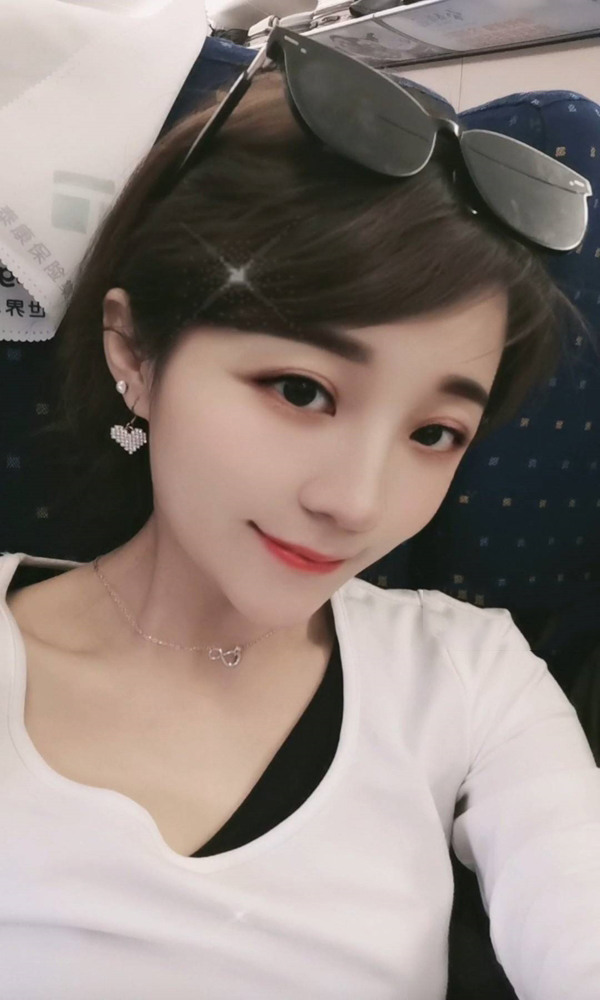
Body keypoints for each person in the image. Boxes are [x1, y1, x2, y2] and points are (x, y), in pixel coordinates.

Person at [1, 34, 599, 1000]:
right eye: (300, 390)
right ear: (135, 353)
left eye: (435, 433)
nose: (357, 504)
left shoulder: (470, 678)